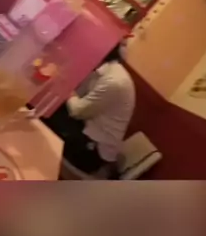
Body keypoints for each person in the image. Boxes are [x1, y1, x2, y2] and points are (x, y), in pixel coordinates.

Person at [43, 43, 136, 174]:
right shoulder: (104, 72)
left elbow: (77, 111)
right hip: (87, 128)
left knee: (48, 118)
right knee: (52, 110)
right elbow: (79, 96)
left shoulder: (114, 82)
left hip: (95, 150)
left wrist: (66, 87)